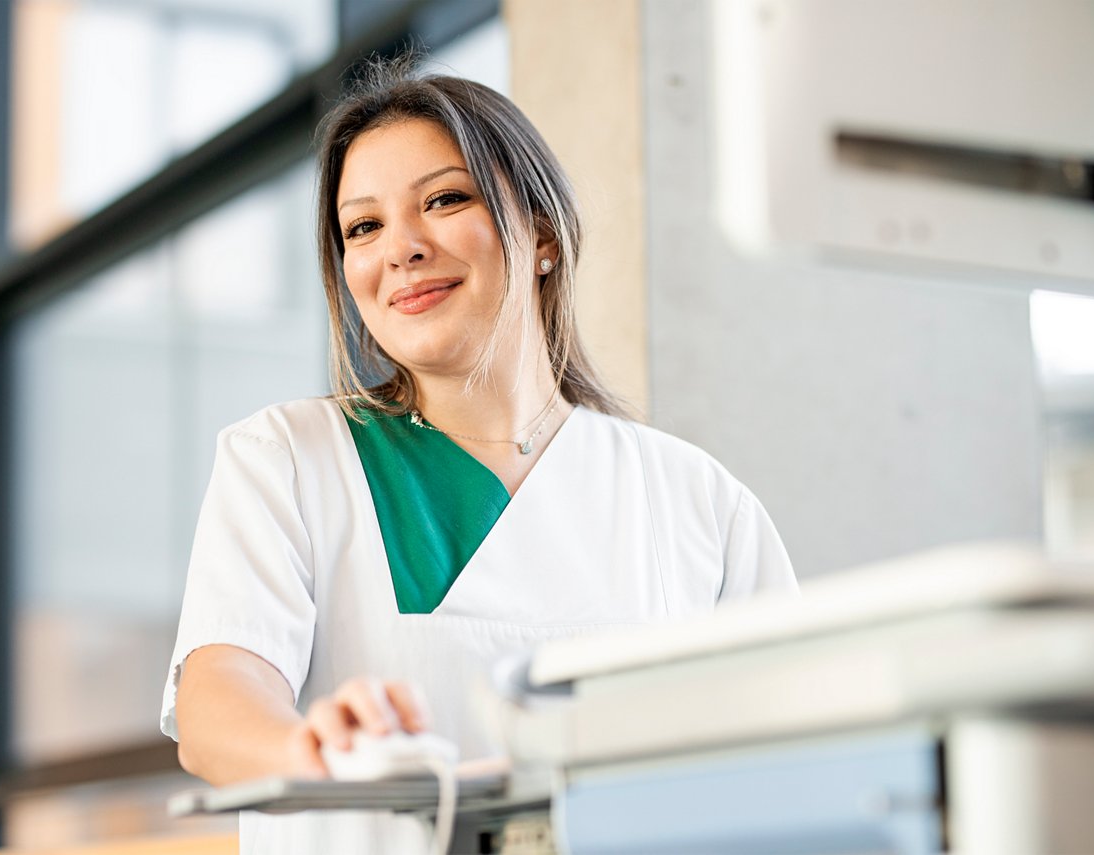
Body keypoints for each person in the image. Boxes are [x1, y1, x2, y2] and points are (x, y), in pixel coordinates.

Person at [160, 59, 797, 853]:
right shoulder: (289, 460)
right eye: (363, 227)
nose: (401, 248)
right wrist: (309, 749)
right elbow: (219, 699)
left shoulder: (697, 501)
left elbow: (787, 751)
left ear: (540, 234)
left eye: (444, 199)